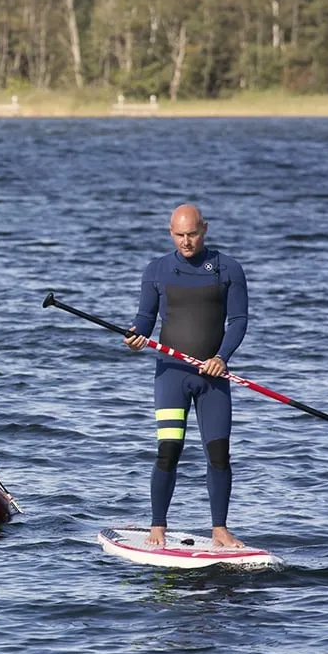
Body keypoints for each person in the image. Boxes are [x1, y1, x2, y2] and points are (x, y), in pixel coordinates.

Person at [123, 204, 249, 548]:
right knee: (168, 451)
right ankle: (158, 527)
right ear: (170, 232)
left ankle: (220, 529)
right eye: (179, 235)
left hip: (213, 378)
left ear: (204, 229)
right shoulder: (157, 270)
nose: (186, 241)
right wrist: (137, 335)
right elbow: (145, 317)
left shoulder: (228, 269)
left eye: (192, 233)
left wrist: (222, 358)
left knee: (219, 454)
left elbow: (238, 321)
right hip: (171, 376)